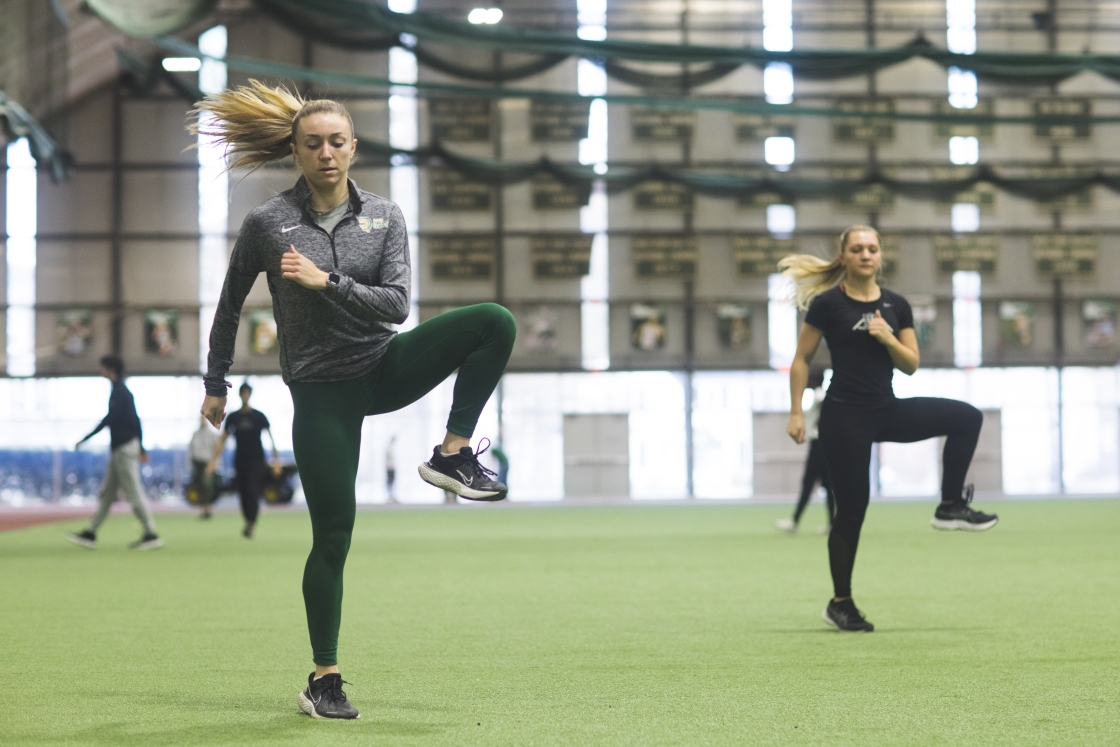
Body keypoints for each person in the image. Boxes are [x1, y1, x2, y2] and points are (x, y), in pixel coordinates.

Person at [192, 80, 515, 719]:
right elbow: (229, 306)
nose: (326, 153)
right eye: (313, 143)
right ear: (296, 151)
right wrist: (215, 383)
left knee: (494, 320)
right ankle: (325, 677)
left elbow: (396, 307)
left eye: (337, 141)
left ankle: (452, 455)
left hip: (383, 366)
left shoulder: (386, 216)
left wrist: (327, 281)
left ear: (353, 148)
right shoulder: (268, 223)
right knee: (334, 535)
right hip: (320, 392)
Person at [781, 225, 997, 634]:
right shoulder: (828, 304)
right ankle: (840, 603)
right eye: (857, 249)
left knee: (967, 417)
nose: (866, 254)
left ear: (881, 257)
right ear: (844, 256)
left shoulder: (897, 305)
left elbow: (910, 364)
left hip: (885, 408)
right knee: (852, 512)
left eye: (872, 249)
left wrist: (887, 337)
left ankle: (950, 505)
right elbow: (800, 359)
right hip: (843, 416)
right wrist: (795, 412)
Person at [67, 355, 163, 550]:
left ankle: (151, 533)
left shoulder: (121, 392)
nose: (100, 370)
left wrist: (86, 438)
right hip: (121, 448)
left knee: (133, 491)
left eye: (102, 367)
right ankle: (90, 533)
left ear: (110, 369)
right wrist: (141, 447)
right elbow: (135, 421)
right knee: (107, 492)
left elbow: (112, 419)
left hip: (124, 448)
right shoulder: (120, 391)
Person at [206, 381, 281, 538]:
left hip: (257, 460)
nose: (245, 395)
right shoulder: (234, 417)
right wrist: (213, 461)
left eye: (248, 392)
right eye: (243, 392)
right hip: (240, 460)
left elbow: (271, 438)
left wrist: (276, 461)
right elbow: (222, 440)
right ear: (240, 395)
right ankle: (247, 521)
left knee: (253, 490)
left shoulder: (259, 416)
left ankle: (251, 524)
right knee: (243, 492)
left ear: (250, 394)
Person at [775, 368, 835, 535]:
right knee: (827, 485)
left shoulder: (820, 396)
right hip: (820, 444)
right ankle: (832, 522)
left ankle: (795, 521)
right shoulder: (818, 396)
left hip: (819, 445)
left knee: (810, 483)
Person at [189, 414, 219, 519]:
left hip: (207, 464)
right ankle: (202, 508)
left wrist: (215, 464)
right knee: (199, 486)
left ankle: (208, 508)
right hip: (197, 464)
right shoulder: (195, 434)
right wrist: (189, 465)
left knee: (207, 486)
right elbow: (190, 451)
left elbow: (216, 450)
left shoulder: (211, 434)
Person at [384, 436, 396, 503]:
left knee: (392, 481)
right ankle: (389, 496)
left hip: (392, 466)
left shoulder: (392, 448)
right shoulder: (389, 448)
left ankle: (392, 496)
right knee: (390, 482)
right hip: (389, 467)